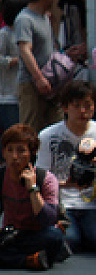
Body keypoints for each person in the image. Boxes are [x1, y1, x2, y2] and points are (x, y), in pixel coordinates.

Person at [0, 124, 66, 270]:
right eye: (10, 150)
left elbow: (48, 219)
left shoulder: (47, 179)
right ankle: (27, 260)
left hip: (36, 236)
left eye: (21, 151)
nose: (14, 157)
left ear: (32, 153)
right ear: (3, 153)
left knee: (55, 236)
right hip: (9, 236)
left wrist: (33, 189)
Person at [16, 0, 86, 131]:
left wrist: (67, 54)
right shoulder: (25, 19)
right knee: (30, 129)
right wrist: (39, 78)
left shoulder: (45, 18)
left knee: (57, 126)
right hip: (31, 84)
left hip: (53, 84)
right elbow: (25, 50)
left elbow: (48, 50)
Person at [37, 80, 96, 252]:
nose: (82, 111)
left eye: (87, 105)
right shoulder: (48, 136)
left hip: (92, 203)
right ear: (65, 107)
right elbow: (41, 177)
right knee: (71, 241)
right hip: (62, 203)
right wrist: (68, 184)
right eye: (76, 106)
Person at [0, 0, 30, 151]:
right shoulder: (5, 33)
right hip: (7, 93)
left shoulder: (24, 31)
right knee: (12, 134)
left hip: (21, 90)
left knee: (17, 133)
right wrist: (16, 60)